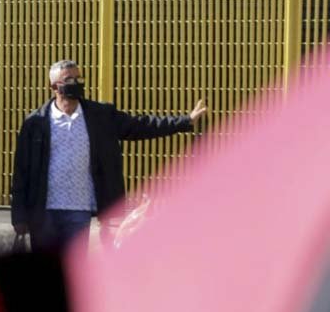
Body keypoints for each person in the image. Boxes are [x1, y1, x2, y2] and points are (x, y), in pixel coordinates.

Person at [11, 59, 207, 251]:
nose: (77, 84)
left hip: (79, 208)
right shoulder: (35, 123)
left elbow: (141, 125)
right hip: (44, 209)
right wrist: (18, 216)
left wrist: (185, 121)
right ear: (54, 86)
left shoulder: (99, 116)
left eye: (79, 79)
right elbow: (22, 171)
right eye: (70, 80)